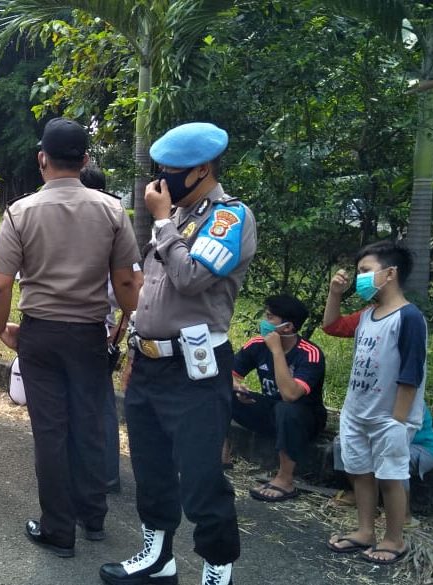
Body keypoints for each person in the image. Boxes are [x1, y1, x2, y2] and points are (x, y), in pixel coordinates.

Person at [100, 122, 256, 585]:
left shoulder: (228, 218)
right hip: (150, 362)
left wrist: (163, 222)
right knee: (151, 467)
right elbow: (154, 290)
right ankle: (158, 557)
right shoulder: (184, 217)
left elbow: (191, 277)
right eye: (161, 170)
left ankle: (216, 569)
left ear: (202, 169)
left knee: (202, 476)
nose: (161, 180)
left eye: (172, 171)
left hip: (195, 369)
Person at [0, 117, 140, 558]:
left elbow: (0, 285)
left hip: (40, 333)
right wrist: (124, 321)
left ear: (42, 159)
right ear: (86, 160)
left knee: (50, 432)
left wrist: (2, 329)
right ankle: (93, 518)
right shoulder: (113, 210)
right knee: (90, 425)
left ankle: (58, 528)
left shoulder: (21, 211)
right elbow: (127, 284)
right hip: (90, 335)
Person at [323, 242, 427, 565]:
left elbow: (411, 371)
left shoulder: (409, 318)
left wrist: (397, 420)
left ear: (390, 273)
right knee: (362, 473)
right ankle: (365, 531)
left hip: (389, 417)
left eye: (366, 271)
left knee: (391, 478)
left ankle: (394, 539)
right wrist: (335, 295)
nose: (361, 279)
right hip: (357, 412)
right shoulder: (367, 315)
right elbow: (331, 326)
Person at [223, 294, 326, 502]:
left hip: (305, 418)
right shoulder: (257, 345)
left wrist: (277, 351)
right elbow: (229, 374)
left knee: (285, 409)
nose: (264, 322)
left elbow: (290, 395)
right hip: (271, 409)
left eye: (270, 317)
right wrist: (236, 387)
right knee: (221, 391)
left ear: (287, 327)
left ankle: (285, 480)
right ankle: (222, 456)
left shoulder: (310, 354)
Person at [79, 163, 142, 495]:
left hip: (77, 325)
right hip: (101, 326)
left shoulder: (80, 218)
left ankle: (91, 474)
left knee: (88, 402)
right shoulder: (117, 218)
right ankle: (104, 474)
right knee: (98, 400)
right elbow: (132, 280)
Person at [332, 405, 433, 528]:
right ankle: (363, 498)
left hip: (420, 448)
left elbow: (398, 435)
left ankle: (404, 515)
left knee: (394, 454)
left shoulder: (411, 399)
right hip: (379, 441)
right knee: (343, 442)